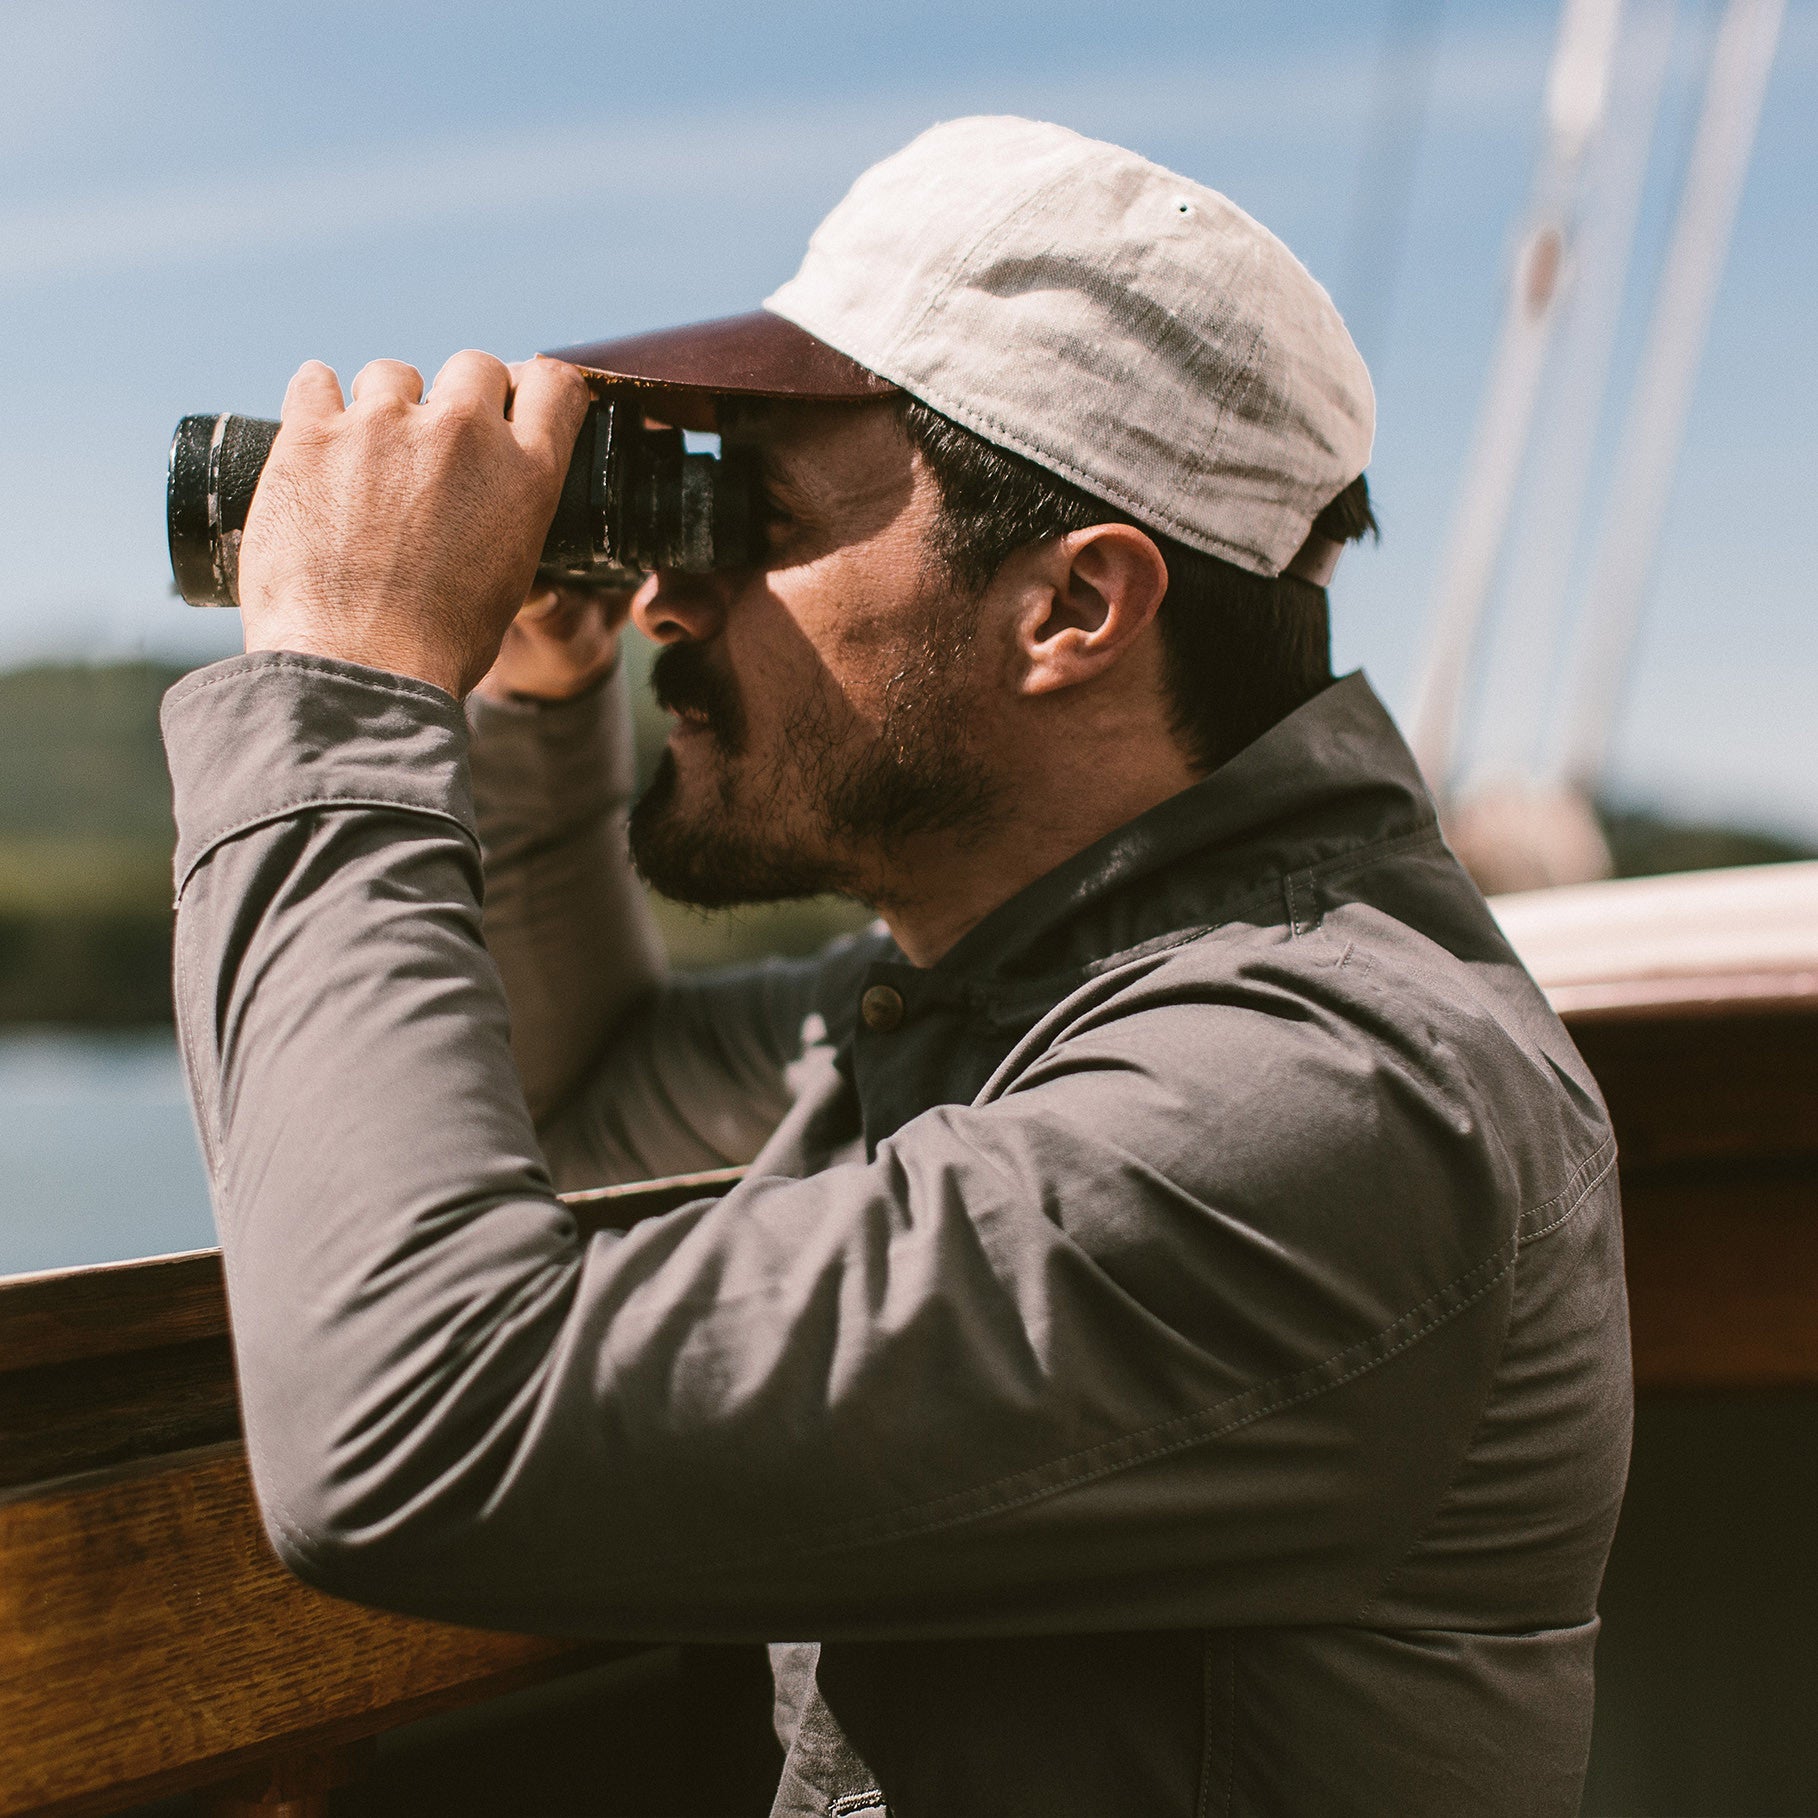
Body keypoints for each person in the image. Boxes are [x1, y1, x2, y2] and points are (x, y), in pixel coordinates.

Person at [161, 117, 1630, 1817]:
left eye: (752, 517)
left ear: (1070, 606)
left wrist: (349, 688)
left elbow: (413, 1430)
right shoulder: (1023, 1004)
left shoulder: (1325, 1100)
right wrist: (527, 707)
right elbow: (578, 1103)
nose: (661, 597)